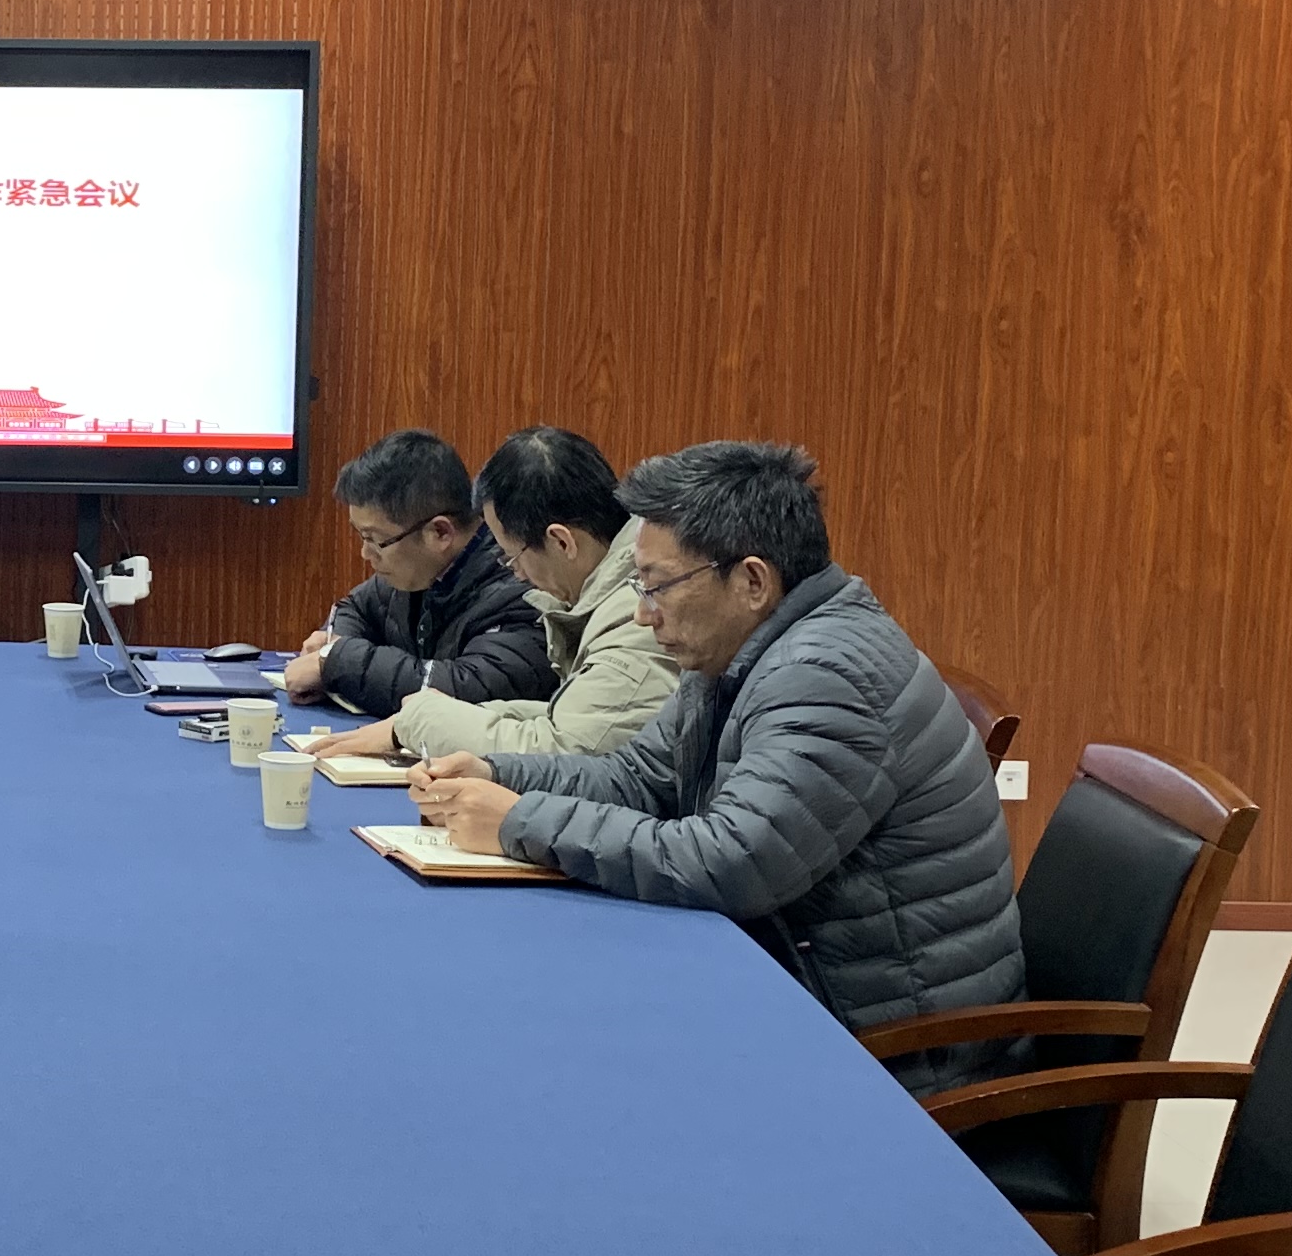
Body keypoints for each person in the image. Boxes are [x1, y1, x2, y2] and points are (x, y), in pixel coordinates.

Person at [408, 440, 1021, 1066]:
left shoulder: (824, 676)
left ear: (752, 581)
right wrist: (499, 773)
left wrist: (518, 821)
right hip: (794, 985)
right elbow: (636, 776)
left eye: (657, 587)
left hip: (896, 1054)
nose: (643, 615)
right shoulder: (741, 647)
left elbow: (730, 862)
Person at [303, 427, 678, 766]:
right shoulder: (605, 595)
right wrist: (432, 714)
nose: (516, 573)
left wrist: (417, 722)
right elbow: (560, 717)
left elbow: (567, 754)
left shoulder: (638, 617)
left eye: (513, 555)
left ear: (561, 542)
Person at [278, 427, 554, 720]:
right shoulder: (419, 571)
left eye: (375, 539)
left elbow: (468, 689)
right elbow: (355, 609)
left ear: (440, 532)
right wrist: (331, 643)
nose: (365, 553)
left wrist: (337, 662)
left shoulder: (524, 586)